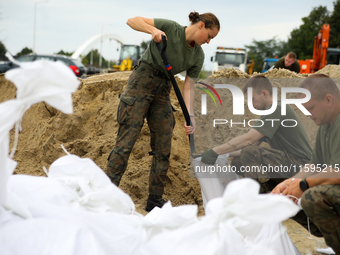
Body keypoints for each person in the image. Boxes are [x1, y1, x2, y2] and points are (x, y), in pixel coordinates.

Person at [106, 12, 220, 212]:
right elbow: (132, 21)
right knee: (126, 142)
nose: (209, 42)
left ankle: (154, 199)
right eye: (210, 36)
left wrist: (190, 116)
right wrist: (153, 30)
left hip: (164, 89)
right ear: (201, 25)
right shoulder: (171, 28)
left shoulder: (198, 55)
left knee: (163, 147)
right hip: (142, 81)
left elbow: (189, 87)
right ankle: (106, 193)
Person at [201, 75, 312, 193]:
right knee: (237, 162)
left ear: (264, 94)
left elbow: (249, 139)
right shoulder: (272, 111)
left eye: (252, 99)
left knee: (249, 152)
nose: (250, 104)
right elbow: (251, 144)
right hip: (291, 164)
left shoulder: (277, 108)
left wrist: (215, 151)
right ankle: (270, 190)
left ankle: (258, 195)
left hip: (302, 165)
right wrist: (222, 154)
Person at [272, 74, 340, 254]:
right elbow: (315, 164)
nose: (308, 114)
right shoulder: (326, 125)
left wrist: (303, 185)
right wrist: (288, 183)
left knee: (312, 196)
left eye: (310, 108)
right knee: (290, 197)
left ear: (328, 99)